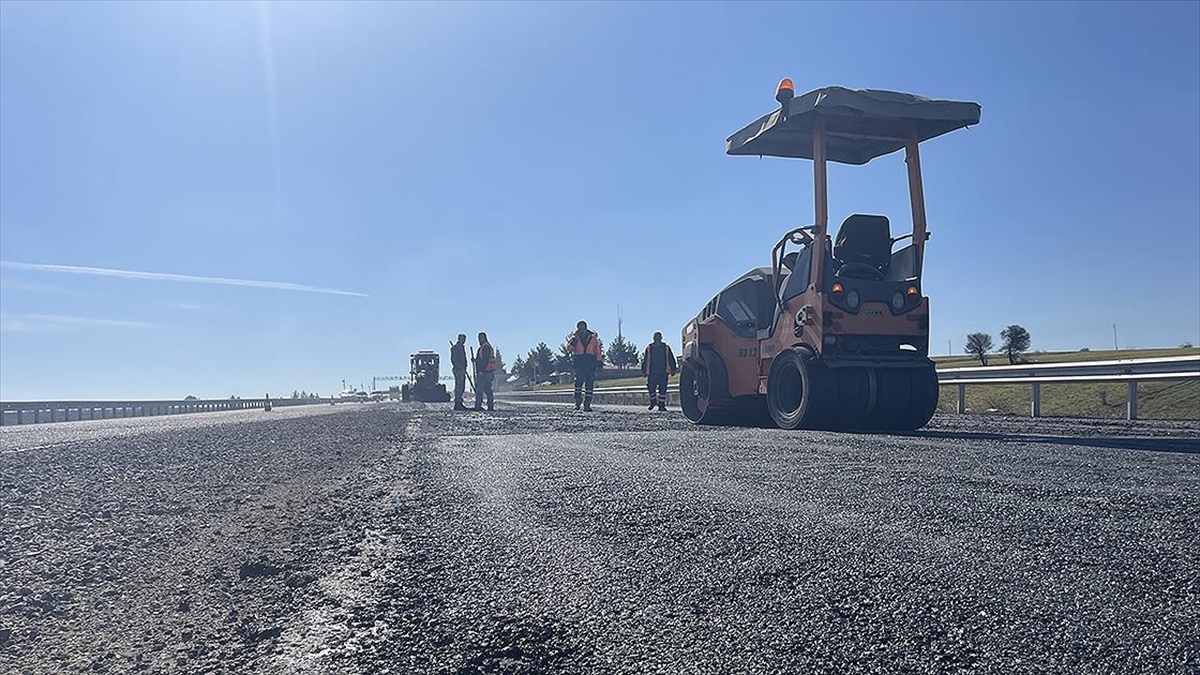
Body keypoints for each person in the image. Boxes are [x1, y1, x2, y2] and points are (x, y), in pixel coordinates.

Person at [567, 320, 603, 411]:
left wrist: (599, 361)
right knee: (578, 383)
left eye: (583, 327)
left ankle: (587, 404)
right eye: (580, 328)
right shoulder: (574, 338)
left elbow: (597, 350)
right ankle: (577, 402)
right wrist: (573, 343)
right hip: (579, 362)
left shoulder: (593, 338)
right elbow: (568, 349)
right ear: (578, 328)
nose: (582, 329)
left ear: (586, 328)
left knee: (589, 384)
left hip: (590, 362)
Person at [642, 332, 677, 411]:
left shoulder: (666, 347)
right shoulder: (649, 348)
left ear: (661, 338)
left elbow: (671, 358)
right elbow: (645, 359)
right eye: (655, 337)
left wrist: (673, 369)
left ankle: (661, 405)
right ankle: (653, 402)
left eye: (658, 337)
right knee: (651, 388)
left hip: (663, 372)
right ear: (653, 338)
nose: (657, 338)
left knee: (662, 390)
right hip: (652, 373)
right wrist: (644, 371)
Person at [472, 332, 497, 411]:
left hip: (485, 372)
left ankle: (478, 406)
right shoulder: (484, 347)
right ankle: (490, 405)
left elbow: (485, 360)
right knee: (487, 389)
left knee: (480, 389)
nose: (479, 340)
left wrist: (481, 371)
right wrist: (476, 360)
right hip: (487, 371)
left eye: (480, 338)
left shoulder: (485, 347)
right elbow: (482, 359)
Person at [450, 333, 468, 411]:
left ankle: (460, 401)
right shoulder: (455, 348)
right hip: (458, 369)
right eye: (463, 339)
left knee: (462, 386)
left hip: (462, 369)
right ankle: (457, 403)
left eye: (464, 339)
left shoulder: (461, 347)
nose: (464, 341)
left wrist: (465, 366)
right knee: (459, 386)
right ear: (459, 339)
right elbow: (453, 359)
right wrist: (459, 366)